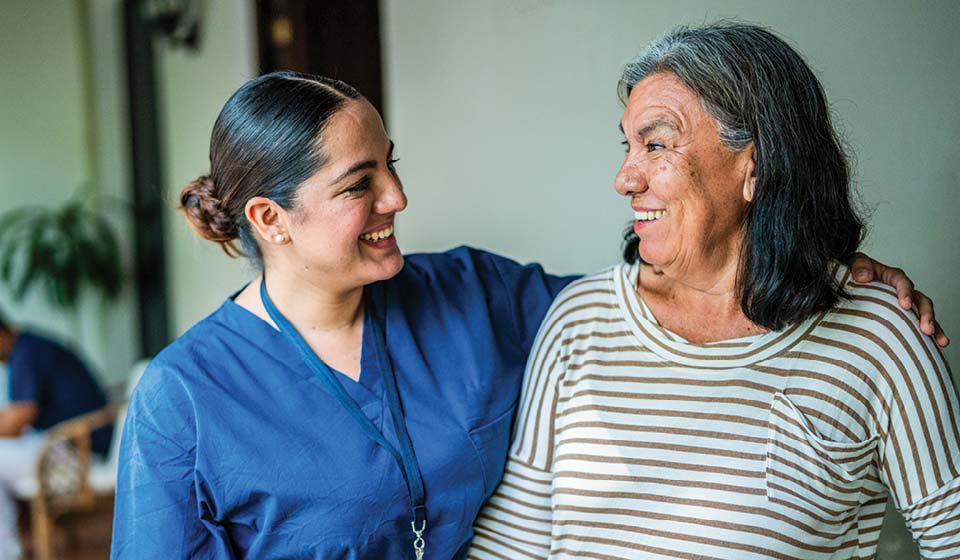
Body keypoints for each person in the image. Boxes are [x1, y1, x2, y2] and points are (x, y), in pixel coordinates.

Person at [111, 71, 943, 560]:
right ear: (269, 219)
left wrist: (823, 266)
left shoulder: (476, 295)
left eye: (391, 167)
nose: (398, 198)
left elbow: (684, 288)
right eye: (359, 184)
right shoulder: (183, 398)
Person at [469, 22, 958, 560]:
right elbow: (511, 545)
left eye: (656, 144)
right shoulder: (580, 319)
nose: (625, 178)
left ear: (756, 166)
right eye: (628, 145)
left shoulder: (879, 337)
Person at [0, 312, 112, 560]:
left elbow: (19, 420)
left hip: (78, 453)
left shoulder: (26, 352)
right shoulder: (29, 346)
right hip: (67, 446)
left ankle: (7, 553)